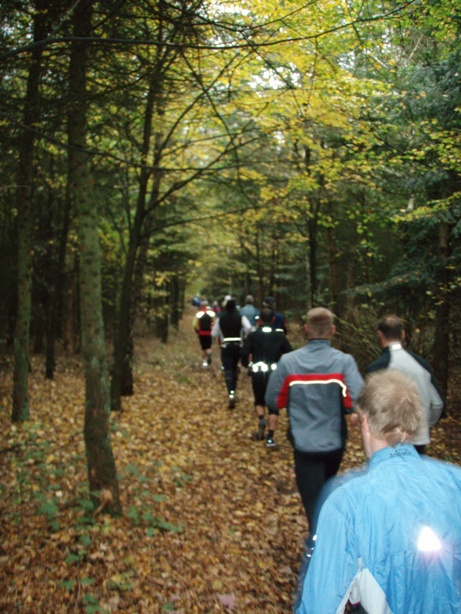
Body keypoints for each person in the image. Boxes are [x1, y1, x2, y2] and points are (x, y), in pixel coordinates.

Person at [295, 369, 461, 614]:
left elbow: (320, 605)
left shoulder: (346, 502)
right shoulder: (455, 480)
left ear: (365, 421)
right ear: (415, 422)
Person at [265, 307, 364, 528]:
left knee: (314, 505)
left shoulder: (288, 362)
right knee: (326, 497)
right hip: (334, 443)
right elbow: (357, 399)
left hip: (304, 444)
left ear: (306, 329)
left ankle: (318, 551)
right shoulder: (344, 362)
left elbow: (273, 400)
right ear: (332, 330)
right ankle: (328, 546)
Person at [366, 314, 444, 454]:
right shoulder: (422, 364)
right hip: (418, 439)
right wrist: (425, 425)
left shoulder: (377, 368)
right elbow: (438, 403)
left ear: (380, 335)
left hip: (387, 442)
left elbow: (370, 411)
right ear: (402, 334)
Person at [240, 308, 293, 446]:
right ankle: (270, 436)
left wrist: (247, 365)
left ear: (260, 320)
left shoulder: (253, 335)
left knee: (259, 399)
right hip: (275, 374)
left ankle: (261, 418)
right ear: (274, 320)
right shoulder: (279, 336)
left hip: (258, 372)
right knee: (273, 403)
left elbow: (244, 352)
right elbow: (290, 354)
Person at [212, 299, 251, 408]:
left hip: (226, 347)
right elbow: (248, 328)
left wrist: (220, 334)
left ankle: (231, 393)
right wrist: (245, 337)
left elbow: (214, 333)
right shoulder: (241, 317)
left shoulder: (221, 318)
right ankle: (234, 390)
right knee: (234, 368)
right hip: (238, 347)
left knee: (227, 369)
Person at [192, 301, 215, 367]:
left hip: (201, 333)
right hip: (209, 333)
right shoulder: (211, 313)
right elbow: (214, 322)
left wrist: (197, 330)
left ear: (201, 306)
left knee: (203, 348)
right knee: (208, 346)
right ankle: (209, 353)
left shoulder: (199, 313)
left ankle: (204, 363)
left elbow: (194, 325)